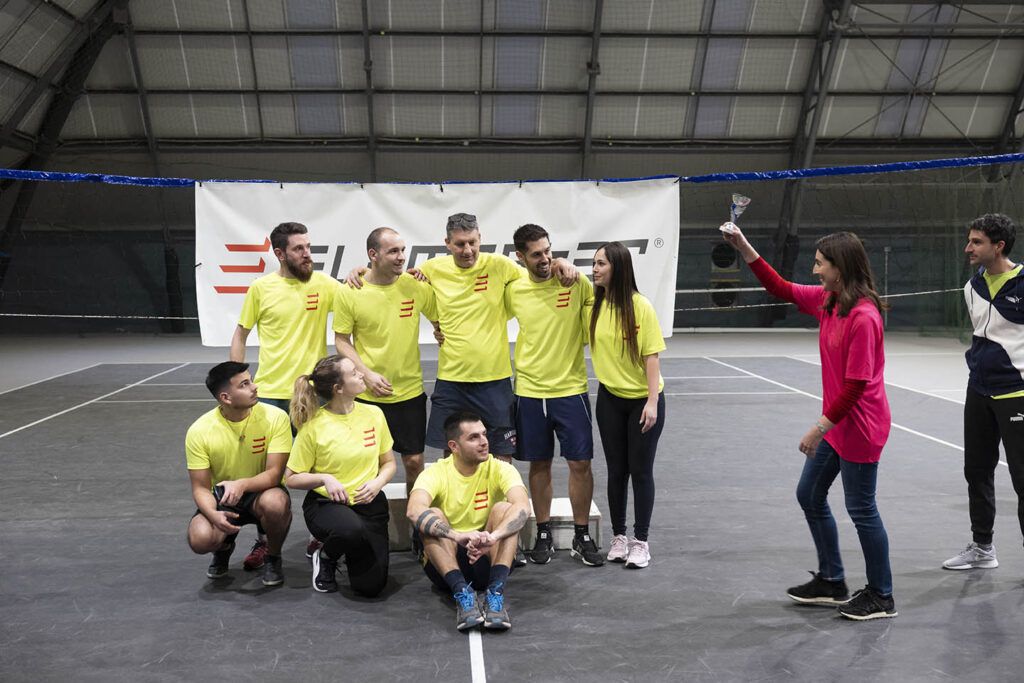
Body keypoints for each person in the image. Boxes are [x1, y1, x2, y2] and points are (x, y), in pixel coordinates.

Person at [722, 222, 897, 620]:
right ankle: (832, 580)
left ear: (841, 267)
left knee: (862, 509)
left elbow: (855, 387)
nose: (815, 270)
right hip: (838, 426)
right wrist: (744, 245)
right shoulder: (827, 300)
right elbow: (780, 287)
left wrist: (818, 429)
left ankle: (882, 596)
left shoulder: (864, 317)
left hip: (861, 427)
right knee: (810, 494)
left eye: (820, 264)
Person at [231, 221, 343, 566]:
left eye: (308, 247)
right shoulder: (260, 289)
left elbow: (360, 296)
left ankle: (321, 536)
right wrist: (236, 381)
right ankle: (265, 541)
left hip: (312, 397)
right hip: (269, 398)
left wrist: (359, 273)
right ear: (280, 253)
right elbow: (240, 334)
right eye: (299, 249)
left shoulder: (324, 285)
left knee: (321, 467)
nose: (307, 254)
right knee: (270, 475)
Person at [504, 223, 603, 567]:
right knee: (539, 462)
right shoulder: (513, 289)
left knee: (580, 463)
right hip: (530, 390)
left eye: (548, 251)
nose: (545, 259)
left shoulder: (574, 282)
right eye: (536, 254)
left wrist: (567, 265)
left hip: (570, 389)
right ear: (521, 257)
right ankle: (542, 532)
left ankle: (581, 535)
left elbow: (597, 309)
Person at [944, 213, 1024, 571]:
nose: (968, 248)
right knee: (976, 470)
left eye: (976, 242)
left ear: (999, 246)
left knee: (1023, 479)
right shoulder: (972, 286)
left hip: (1016, 394)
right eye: (969, 240)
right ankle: (982, 548)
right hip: (978, 391)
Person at [334, 227, 437, 502]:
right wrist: (366, 375)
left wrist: (439, 330)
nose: (401, 257)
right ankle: (363, 519)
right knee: (365, 463)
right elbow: (341, 340)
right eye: (393, 251)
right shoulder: (351, 291)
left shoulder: (414, 286)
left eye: (402, 250)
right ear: (373, 254)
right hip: (367, 395)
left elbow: (440, 316)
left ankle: (416, 519)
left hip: (408, 391)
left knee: (414, 462)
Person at [406, 411, 530, 632]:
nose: (484, 442)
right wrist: (457, 536)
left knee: (505, 509)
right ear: (454, 446)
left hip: (488, 557)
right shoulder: (435, 473)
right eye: (473, 437)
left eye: (484, 434)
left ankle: (495, 593)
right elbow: (414, 510)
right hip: (448, 564)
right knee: (432, 514)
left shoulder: (501, 468)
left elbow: (523, 507)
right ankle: (462, 593)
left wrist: (492, 537)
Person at [284, 355, 397, 597]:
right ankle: (326, 556)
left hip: (369, 504)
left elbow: (389, 463)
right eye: (354, 373)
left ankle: (351, 548)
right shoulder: (313, 425)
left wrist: (378, 482)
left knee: (371, 587)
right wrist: (324, 478)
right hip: (327, 505)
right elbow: (291, 478)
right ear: (338, 388)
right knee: (350, 530)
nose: (362, 374)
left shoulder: (375, 414)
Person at [588, 242, 666, 570]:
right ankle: (619, 537)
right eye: (594, 263)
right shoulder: (594, 305)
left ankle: (641, 541)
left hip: (642, 402)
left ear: (617, 267)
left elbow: (651, 356)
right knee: (616, 471)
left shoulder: (640, 306)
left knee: (640, 470)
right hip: (609, 399)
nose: (594, 269)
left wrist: (652, 402)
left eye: (601, 264)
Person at [184, 361, 292, 587]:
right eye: (244, 384)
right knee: (200, 539)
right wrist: (213, 514)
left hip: (262, 491)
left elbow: (274, 474)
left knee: (276, 503)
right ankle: (223, 547)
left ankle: (273, 557)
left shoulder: (276, 417)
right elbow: (201, 488)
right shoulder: (199, 431)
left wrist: (241, 484)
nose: (254, 387)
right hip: (224, 498)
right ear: (225, 398)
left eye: (251, 380)